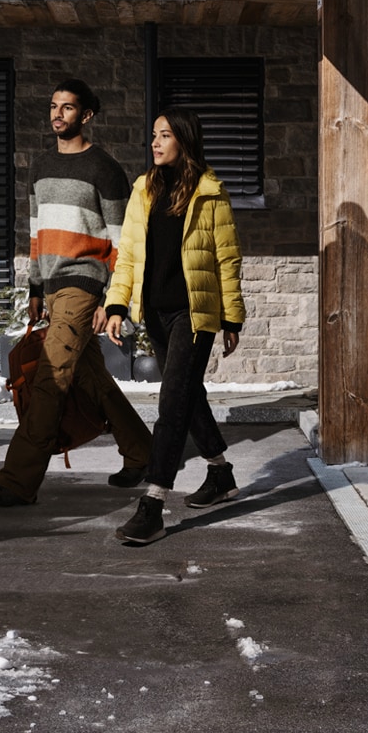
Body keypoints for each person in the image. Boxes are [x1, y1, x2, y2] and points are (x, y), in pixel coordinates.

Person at [0, 78, 155, 507]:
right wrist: (35, 287)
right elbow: (36, 233)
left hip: (84, 283)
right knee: (92, 378)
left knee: (49, 380)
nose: (58, 114)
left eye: (68, 108)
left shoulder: (104, 169)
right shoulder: (39, 166)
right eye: (54, 106)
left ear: (86, 115)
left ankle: (17, 483)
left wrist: (112, 298)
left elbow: (122, 239)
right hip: (53, 288)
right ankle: (145, 453)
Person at [101, 107, 246, 545]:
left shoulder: (210, 193)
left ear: (184, 139)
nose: (155, 142)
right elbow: (127, 255)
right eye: (153, 135)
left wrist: (232, 317)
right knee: (187, 393)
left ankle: (154, 503)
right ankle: (220, 473)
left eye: (164, 135)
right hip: (157, 313)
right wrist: (116, 305)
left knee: (172, 402)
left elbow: (226, 258)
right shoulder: (143, 189)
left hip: (195, 314)